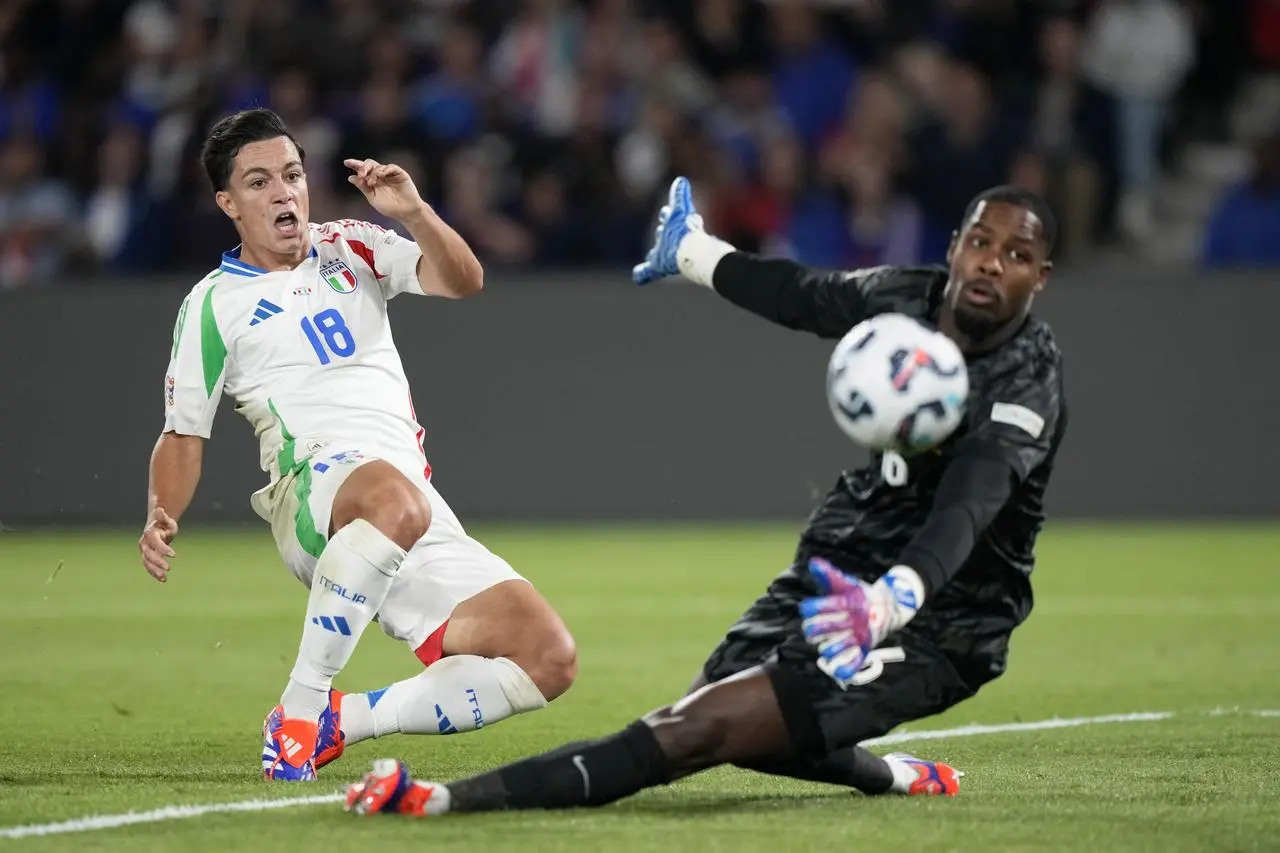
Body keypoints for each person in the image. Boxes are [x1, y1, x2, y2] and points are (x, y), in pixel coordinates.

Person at [340, 175, 1068, 816]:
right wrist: (692, 252)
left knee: (693, 728)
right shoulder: (910, 299)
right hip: (848, 556)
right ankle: (896, 776)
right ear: (955, 245)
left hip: (946, 616)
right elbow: (804, 297)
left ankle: (443, 798)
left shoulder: (1024, 384)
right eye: (981, 242)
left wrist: (893, 602)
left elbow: (967, 508)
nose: (991, 263)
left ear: (1040, 278)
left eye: (1016, 256)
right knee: (726, 715)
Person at [137, 108, 578, 782]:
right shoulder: (213, 302)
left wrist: (417, 212)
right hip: (312, 491)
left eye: (291, 174)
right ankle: (300, 708)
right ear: (227, 202)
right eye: (259, 183)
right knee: (395, 498)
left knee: (547, 657)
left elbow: (464, 280)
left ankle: (343, 720)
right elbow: (183, 431)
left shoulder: (352, 243)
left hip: (407, 504)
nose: (283, 192)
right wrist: (161, 512)